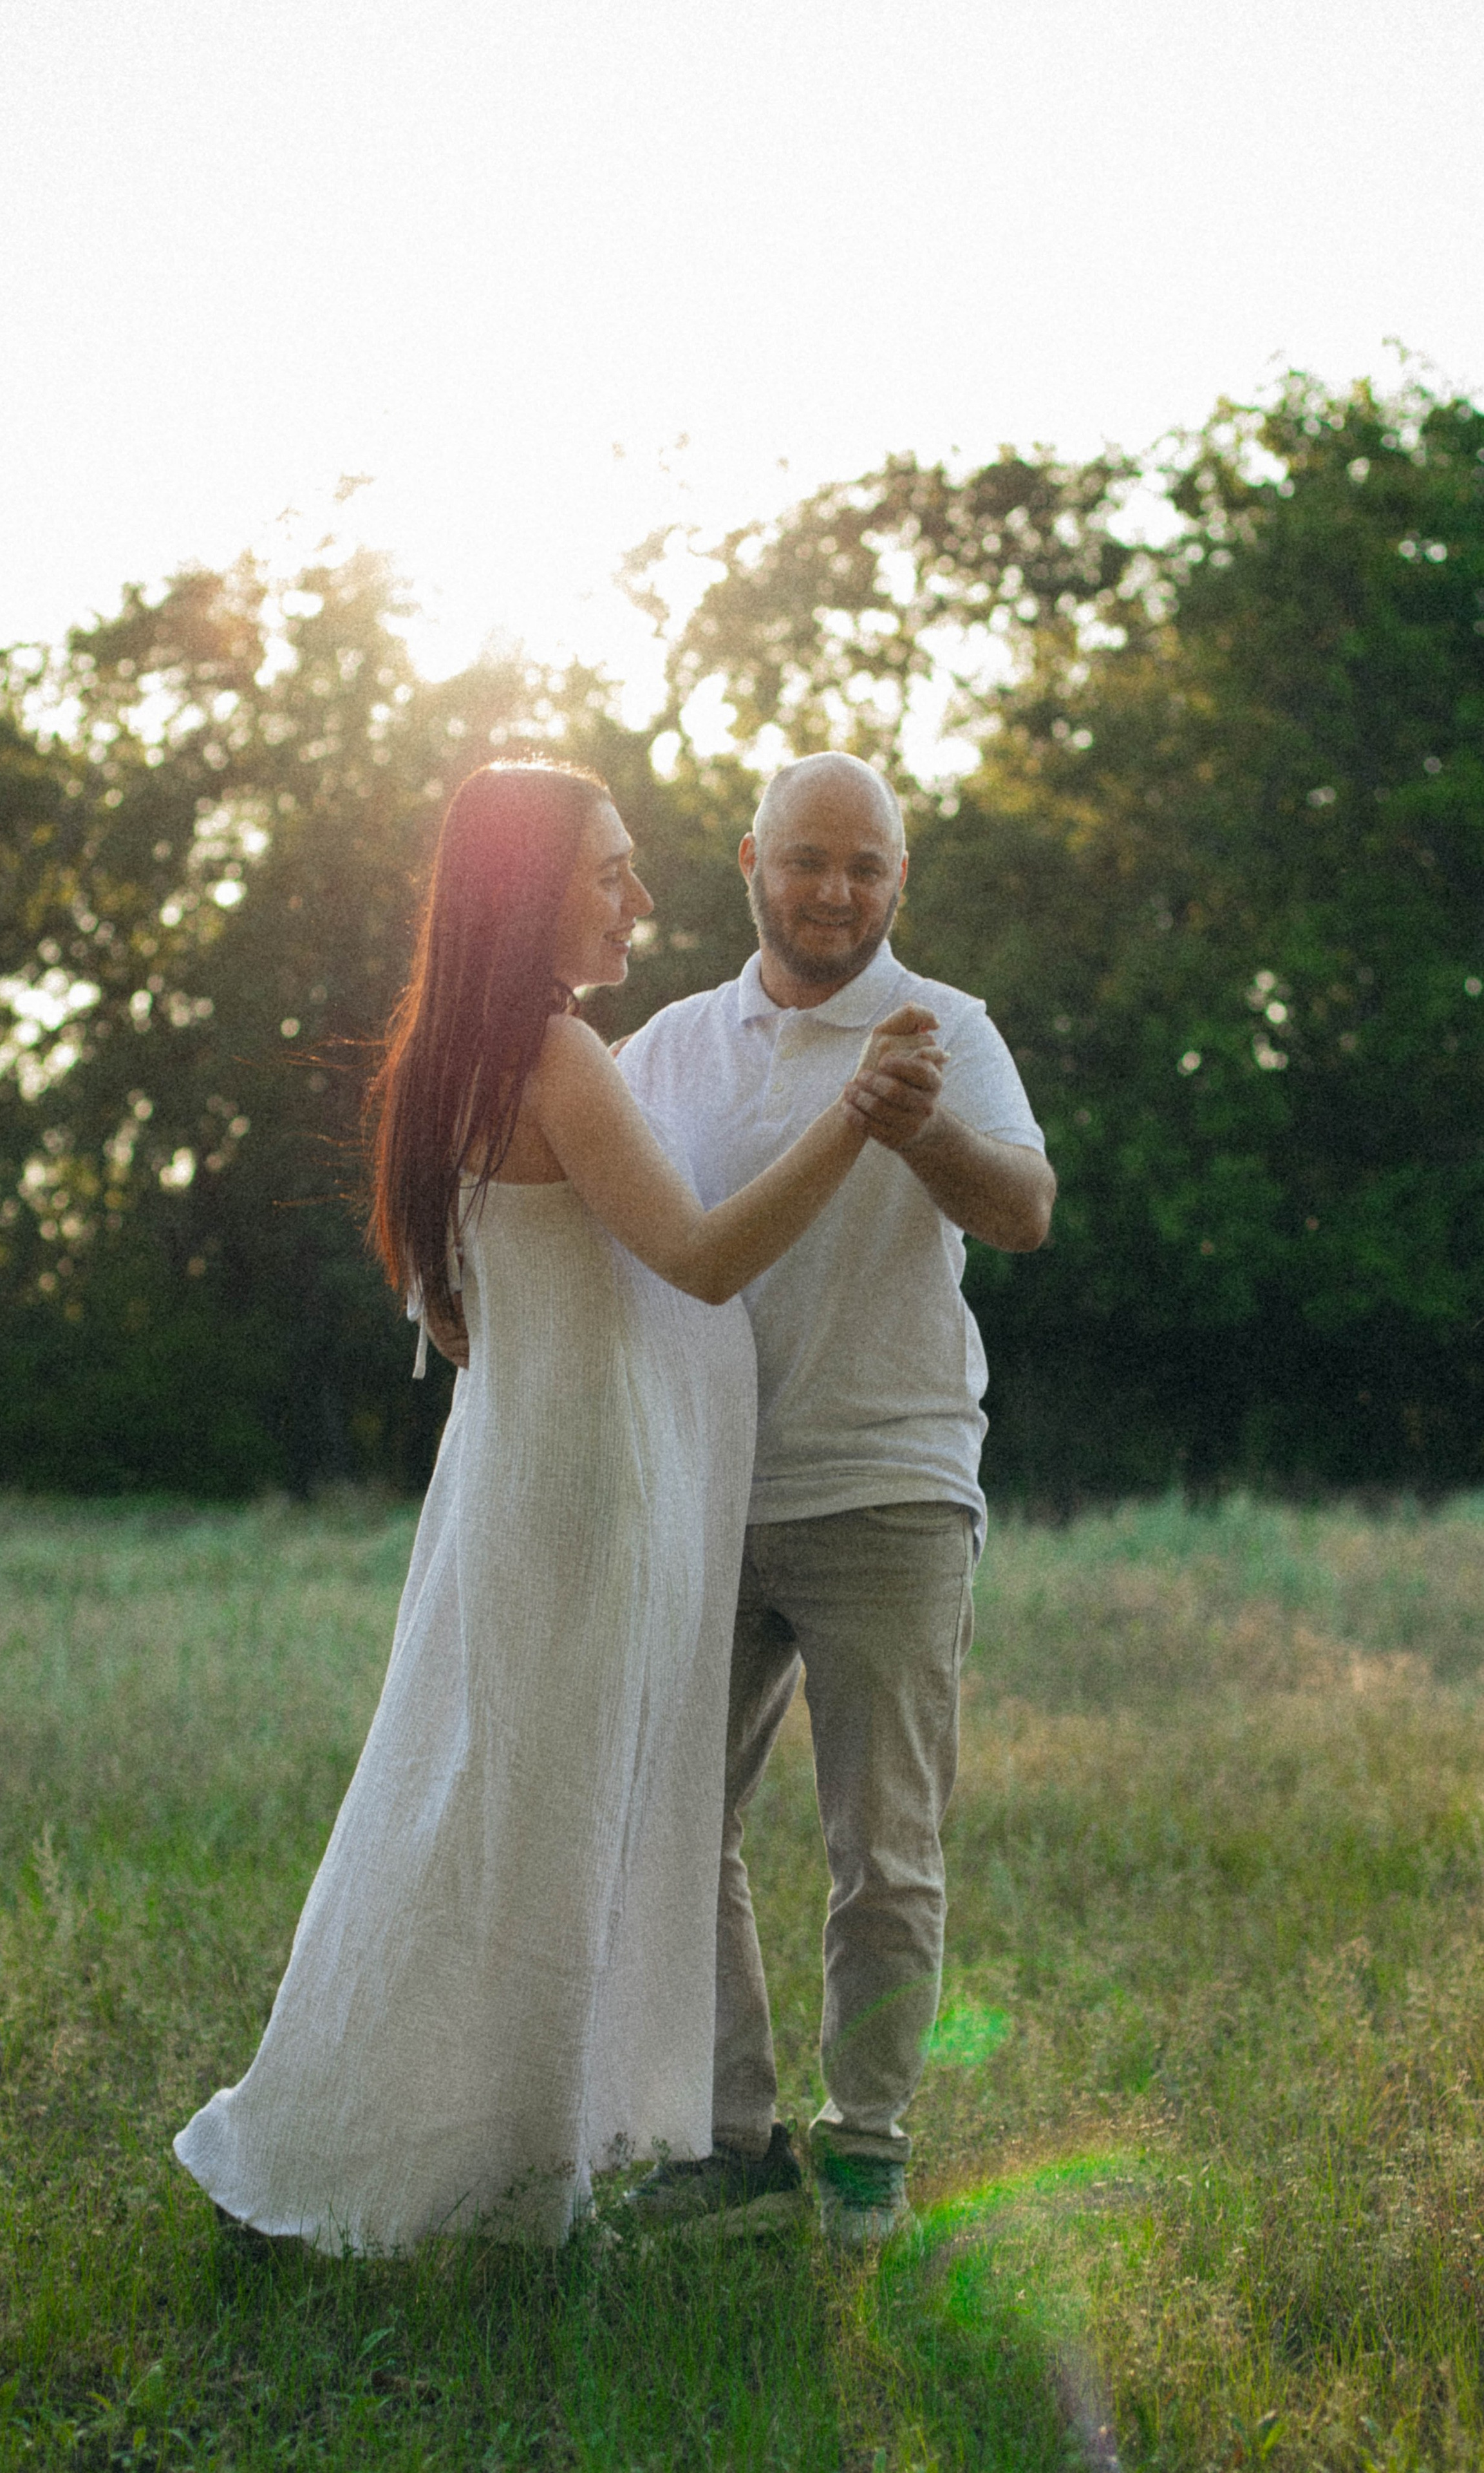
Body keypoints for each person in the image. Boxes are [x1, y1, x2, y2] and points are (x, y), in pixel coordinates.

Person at [173, 760, 935, 2254]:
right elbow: (704, 1257)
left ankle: (492, 2156)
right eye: (610, 870)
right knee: (553, 1832)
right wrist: (853, 1115)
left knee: (484, 1816)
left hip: (513, 1493)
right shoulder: (555, 1056)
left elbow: (461, 1319)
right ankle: (518, 2179)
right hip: (588, 1507)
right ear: (533, 894)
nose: (642, 900)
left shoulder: (437, 1066)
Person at [615, 751, 1056, 2246]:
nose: (834, 891)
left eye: (865, 867)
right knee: (674, 1826)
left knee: (885, 1848)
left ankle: (865, 2146)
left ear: (897, 883)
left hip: (889, 1484)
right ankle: (733, 2144)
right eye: (808, 858)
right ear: (750, 859)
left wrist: (912, 1120)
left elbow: (1023, 1213)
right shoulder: (669, 1045)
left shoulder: (950, 1030)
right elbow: (587, 1213)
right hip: (705, 1487)